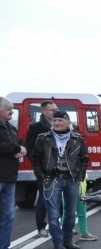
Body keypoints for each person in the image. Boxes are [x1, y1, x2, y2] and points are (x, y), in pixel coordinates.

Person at [32, 110, 88, 249]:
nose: (56, 123)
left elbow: (84, 159)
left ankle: (68, 240)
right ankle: (58, 243)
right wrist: (43, 177)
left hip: (71, 180)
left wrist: (79, 177)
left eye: (60, 121)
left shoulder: (78, 138)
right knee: (53, 215)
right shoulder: (42, 138)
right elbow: (36, 160)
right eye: (54, 121)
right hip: (52, 179)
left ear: (68, 123)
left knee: (70, 214)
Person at [25, 100, 59, 237]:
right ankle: (41, 226)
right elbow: (29, 147)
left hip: (59, 168)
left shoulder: (59, 125)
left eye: (56, 109)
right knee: (45, 198)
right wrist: (37, 164)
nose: (56, 112)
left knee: (59, 198)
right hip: (44, 169)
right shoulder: (36, 127)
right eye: (52, 110)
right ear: (44, 111)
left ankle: (56, 225)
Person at [0, 97, 26, 249]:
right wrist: (17, 147)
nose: (11, 111)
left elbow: (15, 145)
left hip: (10, 177)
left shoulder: (10, 128)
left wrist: (20, 149)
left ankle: (3, 248)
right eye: (8, 108)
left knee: (8, 215)